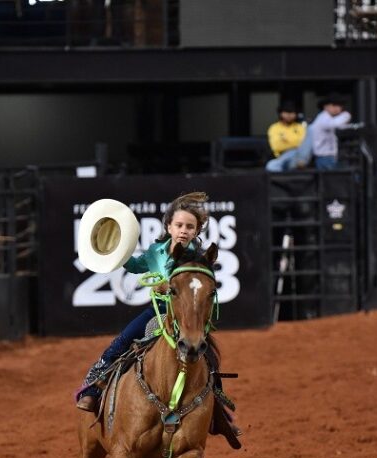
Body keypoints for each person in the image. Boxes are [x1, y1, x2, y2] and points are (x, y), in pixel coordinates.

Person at [75, 192, 241, 439]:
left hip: (187, 315)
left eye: (190, 227)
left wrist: (168, 285)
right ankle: (93, 388)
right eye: (179, 225)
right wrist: (115, 252)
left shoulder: (199, 257)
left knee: (209, 360)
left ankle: (218, 413)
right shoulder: (155, 252)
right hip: (160, 310)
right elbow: (135, 266)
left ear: (197, 231)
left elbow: (201, 284)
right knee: (123, 341)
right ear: (169, 227)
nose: (184, 230)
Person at [265, 100, 311, 173]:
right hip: (282, 156)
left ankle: (297, 164)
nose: (289, 115)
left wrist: (286, 140)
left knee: (310, 131)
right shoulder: (274, 127)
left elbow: (305, 145)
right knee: (271, 165)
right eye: (286, 112)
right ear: (281, 113)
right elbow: (276, 146)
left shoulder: (300, 127)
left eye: (292, 112)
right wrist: (296, 142)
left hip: (299, 155)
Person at [311, 93, 352, 170]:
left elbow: (341, 127)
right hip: (324, 157)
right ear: (325, 106)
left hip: (327, 156)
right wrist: (346, 115)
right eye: (334, 105)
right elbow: (333, 124)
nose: (337, 108)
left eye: (339, 105)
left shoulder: (328, 118)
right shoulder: (323, 117)